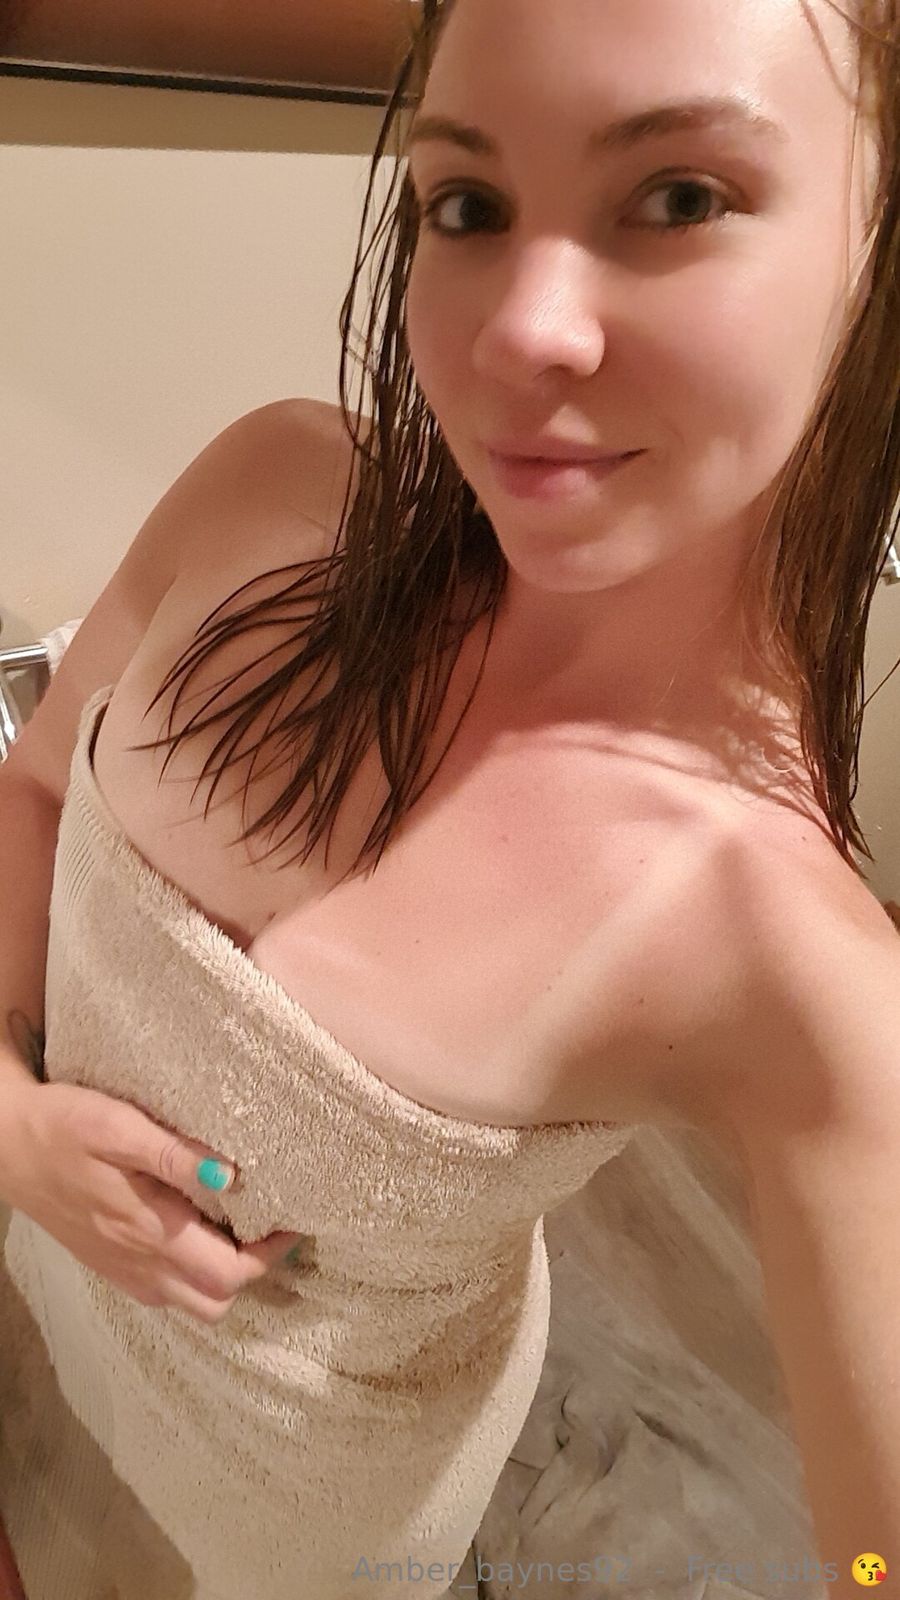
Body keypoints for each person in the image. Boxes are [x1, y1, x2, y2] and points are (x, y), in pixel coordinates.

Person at [0, 0, 897, 1595]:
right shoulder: (269, 487)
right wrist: (10, 1129)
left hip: (302, 1527)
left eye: (680, 195)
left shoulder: (792, 961)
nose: (521, 331)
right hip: (39, 1301)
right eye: (468, 203)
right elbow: (34, 800)